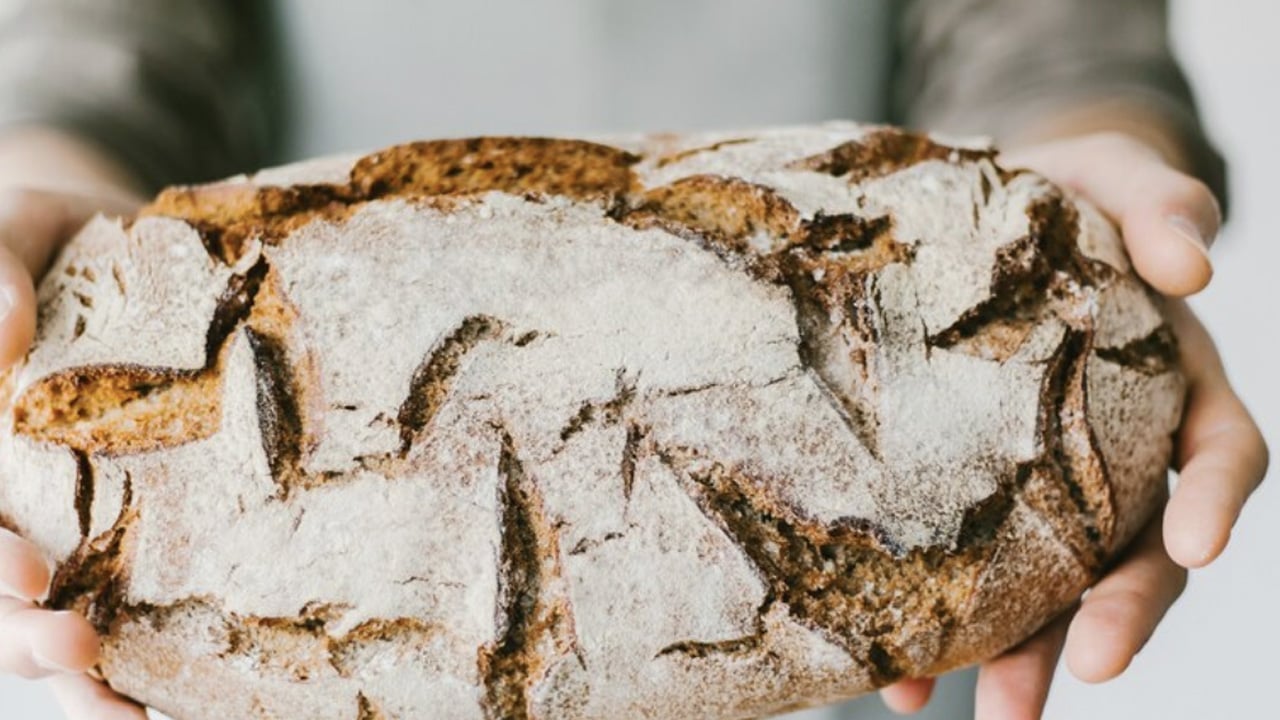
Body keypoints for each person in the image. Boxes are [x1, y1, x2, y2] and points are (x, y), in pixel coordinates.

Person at [0, 1, 1267, 719]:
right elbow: (118, 34)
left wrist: (1093, 156)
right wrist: (42, 169)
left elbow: (1043, 28)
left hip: (885, 533)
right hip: (333, 560)